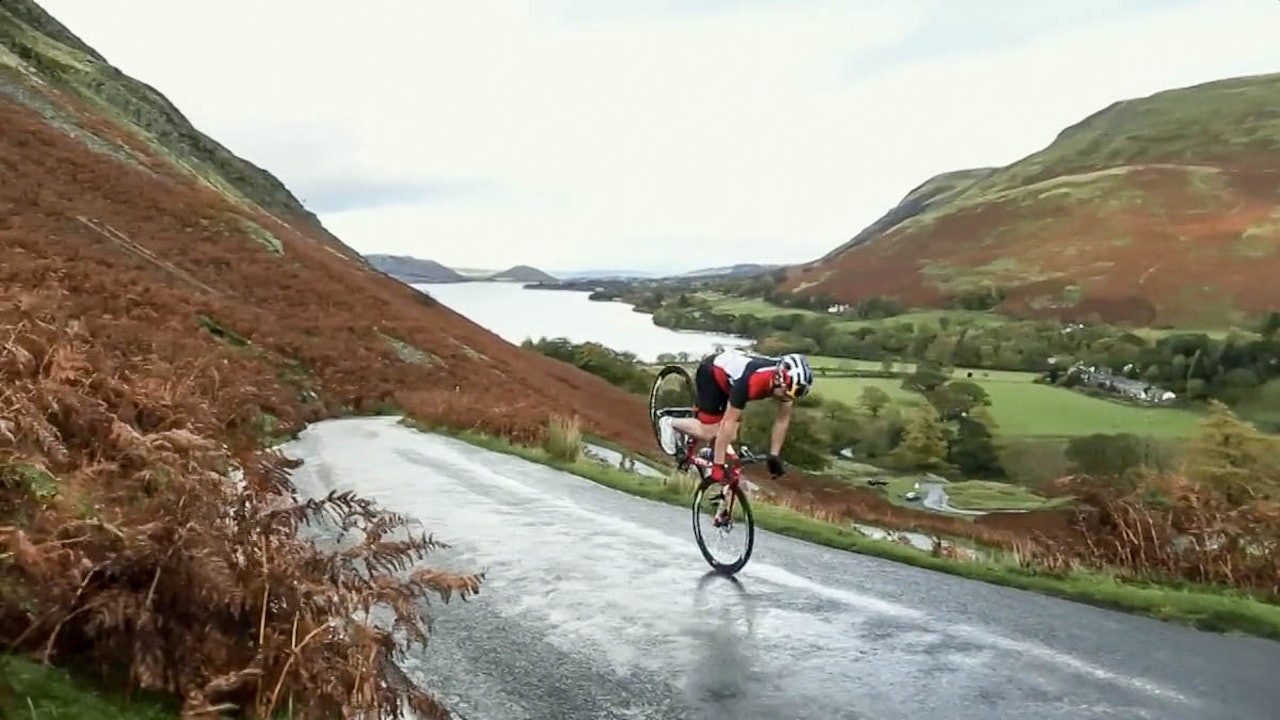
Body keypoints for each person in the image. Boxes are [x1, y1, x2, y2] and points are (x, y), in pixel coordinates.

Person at [658, 349, 814, 484]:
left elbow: (782, 421)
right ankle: (670, 423)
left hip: (732, 380)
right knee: (711, 431)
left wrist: (774, 455)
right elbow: (727, 422)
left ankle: (709, 454)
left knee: (730, 436)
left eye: (792, 395)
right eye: (785, 393)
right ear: (778, 379)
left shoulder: (787, 389)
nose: (786, 398)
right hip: (713, 374)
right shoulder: (751, 382)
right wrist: (718, 467)